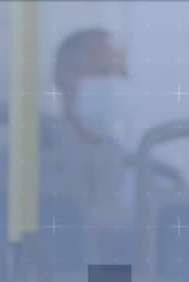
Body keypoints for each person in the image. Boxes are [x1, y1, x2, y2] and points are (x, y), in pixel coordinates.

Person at [49, 27, 136, 233]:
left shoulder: (140, 172)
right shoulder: (24, 167)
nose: (114, 85)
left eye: (122, 75)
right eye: (103, 72)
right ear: (63, 78)